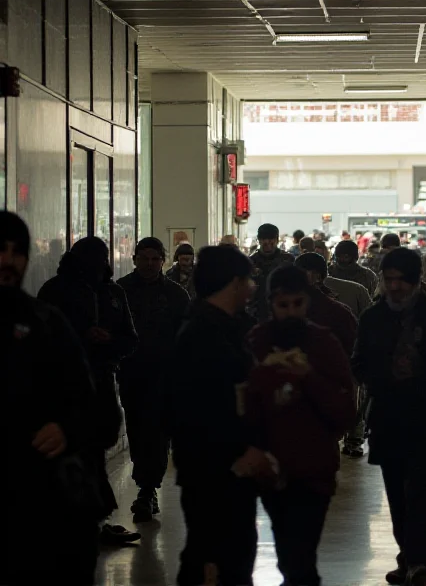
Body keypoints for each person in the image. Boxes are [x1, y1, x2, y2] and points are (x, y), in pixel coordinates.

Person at [352, 248, 426, 586]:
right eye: (389, 280)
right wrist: (380, 379)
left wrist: (424, 384)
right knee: (397, 497)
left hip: (425, 420)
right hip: (387, 420)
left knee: (421, 492)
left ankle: (418, 560)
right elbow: (358, 362)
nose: (395, 287)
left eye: (401, 280)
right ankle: (408, 558)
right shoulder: (373, 318)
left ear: (417, 281)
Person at [0, 212, 103, 584]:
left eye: (17, 252)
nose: (8, 261)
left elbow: (92, 405)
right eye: (1, 250)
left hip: (39, 504)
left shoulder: (46, 324)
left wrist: (66, 430)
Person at [165, 246, 272, 586]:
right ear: (234, 282)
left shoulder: (227, 328)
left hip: (229, 469)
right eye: (249, 280)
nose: (253, 288)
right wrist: (241, 453)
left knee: (231, 558)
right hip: (214, 473)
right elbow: (201, 412)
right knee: (211, 561)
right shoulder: (202, 335)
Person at [246, 266, 357, 586]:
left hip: (314, 469)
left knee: (301, 558)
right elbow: (245, 407)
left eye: (298, 304)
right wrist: (267, 375)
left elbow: (345, 412)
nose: (291, 312)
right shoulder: (257, 341)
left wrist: (308, 375)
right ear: (271, 305)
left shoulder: (323, 343)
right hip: (270, 470)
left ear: (307, 303)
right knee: (285, 550)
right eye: (283, 305)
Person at [38, 236, 140, 546]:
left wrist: (108, 341)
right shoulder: (57, 291)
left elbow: (129, 339)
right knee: (76, 451)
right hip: (64, 388)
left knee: (98, 445)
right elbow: (45, 341)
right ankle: (81, 520)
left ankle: (94, 519)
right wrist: (82, 337)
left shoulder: (112, 293)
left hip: (102, 381)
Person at [117, 237, 191, 522]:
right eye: (144, 258)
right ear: (135, 258)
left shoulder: (176, 295)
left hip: (164, 376)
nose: (149, 264)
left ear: (162, 260)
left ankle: (147, 489)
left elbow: (186, 338)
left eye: (154, 259)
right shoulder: (121, 291)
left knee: (158, 432)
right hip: (132, 373)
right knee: (137, 429)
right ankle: (145, 484)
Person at [293, 253, 358, 356]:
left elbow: (349, 349)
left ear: (318, 276)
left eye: (304, 272)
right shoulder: (287, 307)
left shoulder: (337, 312)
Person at [250, 223, 295, 322]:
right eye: (263, 238)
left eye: (271, 238)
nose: (267, 242)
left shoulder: (288, 260)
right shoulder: (251, 262)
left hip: (283, 311)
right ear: (259, 240)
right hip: (256, 313)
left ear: (277, 240)